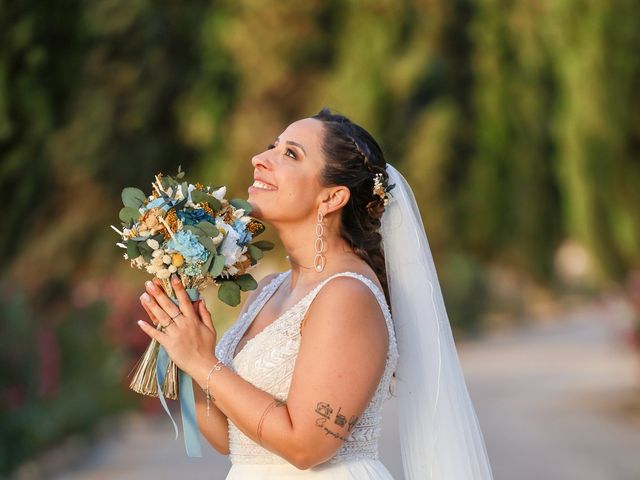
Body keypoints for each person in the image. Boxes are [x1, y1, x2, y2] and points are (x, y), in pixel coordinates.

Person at [137, 107, 494, 479]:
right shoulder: (268, 289)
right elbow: (230, 439)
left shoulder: (348, 296)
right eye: (271, 147)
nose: (259, 159)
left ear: (331, 198)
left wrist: (202, 363)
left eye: (290, 154)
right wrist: (183, 349)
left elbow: (306, 446)